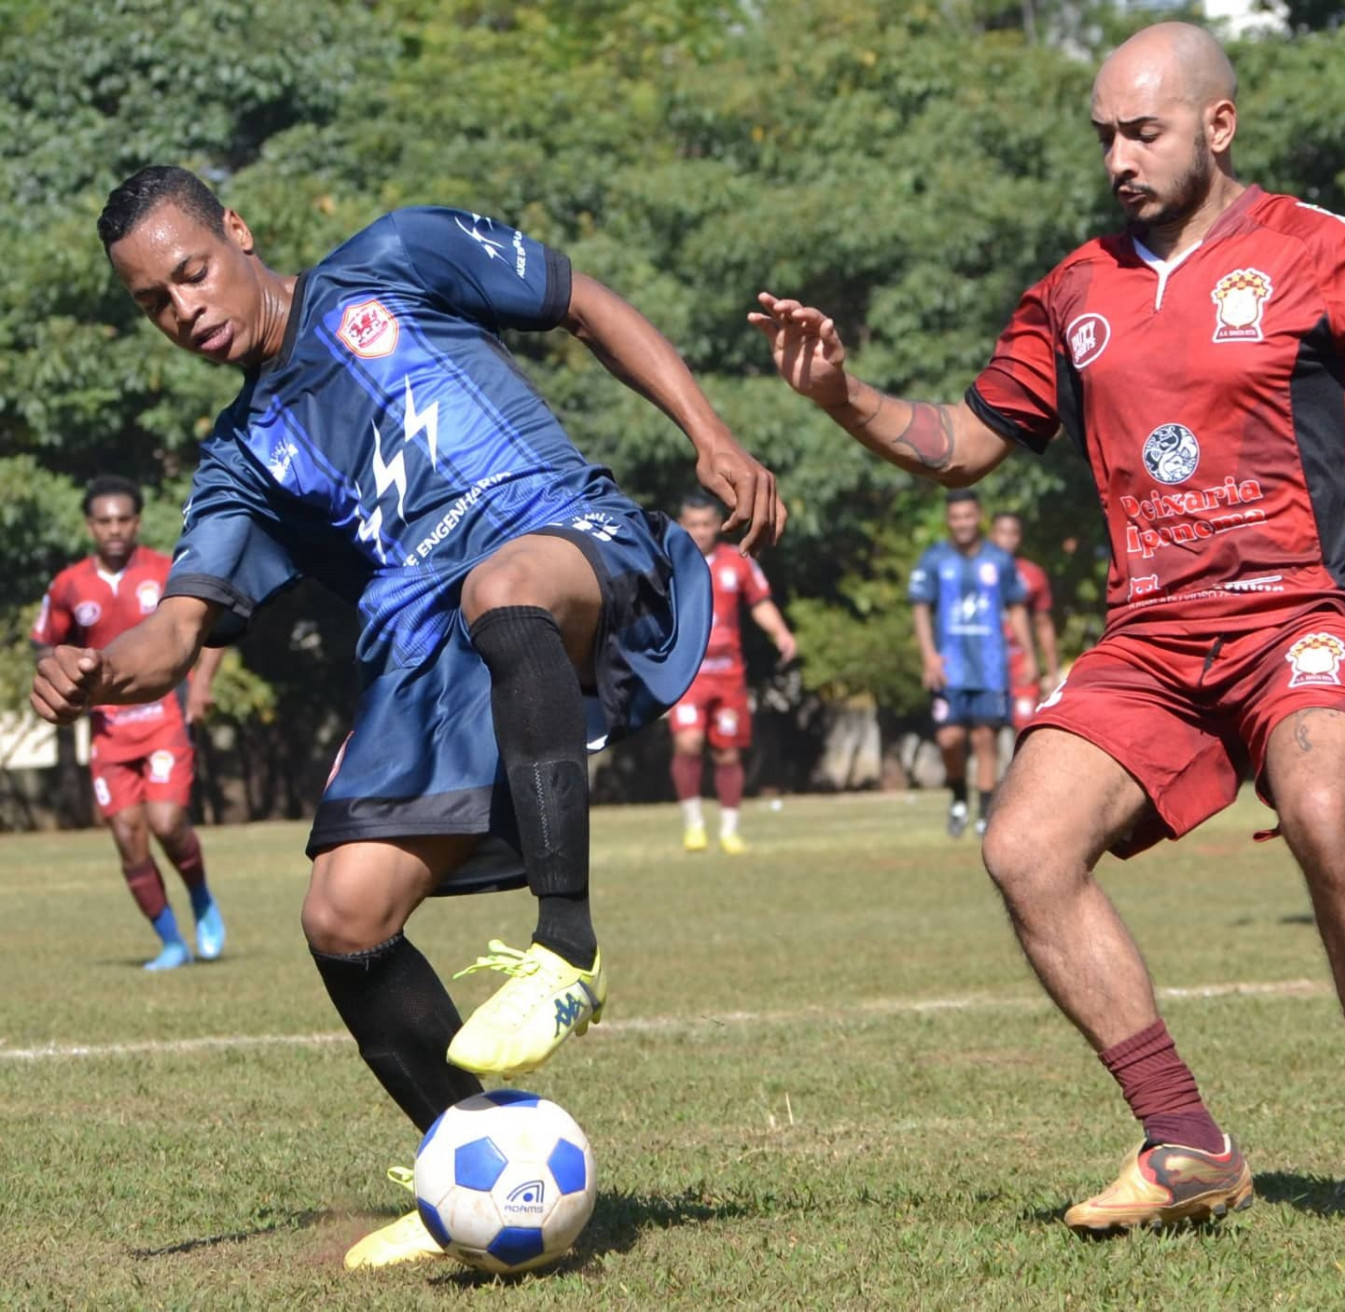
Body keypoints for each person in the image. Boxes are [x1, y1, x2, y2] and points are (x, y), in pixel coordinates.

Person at [752, 22, 1345, 1239]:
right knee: (1023, 846)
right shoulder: (1071, 291)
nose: (1117, 156)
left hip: (1308, 616)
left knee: (1324, 809)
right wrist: (838, 393)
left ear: (1218, 125)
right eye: (1104, 133)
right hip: (1156, 640)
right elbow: (963, 446)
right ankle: (1184, 1143)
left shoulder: (1318, 253)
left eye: (1142, 131)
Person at [31, 166, 782, 1269]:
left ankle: (566, 950)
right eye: (154, 302)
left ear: (237, 233)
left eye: (191, 272)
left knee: (502, 588)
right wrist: (100, 671)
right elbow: (178, 629)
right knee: (343, 915)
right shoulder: (242, 459)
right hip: (430, 659)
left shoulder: (391, 260)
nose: (184, 309)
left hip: (561, 534)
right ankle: (467, 1170)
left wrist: (709, 433)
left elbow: (582, 299)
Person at [32, 474, 226, 970]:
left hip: (163, 716)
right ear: (90, 527)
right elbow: (46, 644)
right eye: (105, 521)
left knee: (166, 822)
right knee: (126, 834)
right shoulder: (69, 585)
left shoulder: (168, 571)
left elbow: (215, 628)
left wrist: (200, 685)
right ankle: (171, 943)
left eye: (124, 519)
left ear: (137, 522)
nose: (115, 529)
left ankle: (201, 897)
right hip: (109, 729)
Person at [668, 490, 798, 854]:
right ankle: (693, 825)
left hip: (728, 674)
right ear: (682, 525)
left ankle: (729, 829)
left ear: (718, 526)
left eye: (707, 524)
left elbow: (760, 602)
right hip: (687, 675)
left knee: (727, 752)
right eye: (693, 525)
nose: (700, 531)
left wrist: (781, 633)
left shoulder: (736, 561)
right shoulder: (668, 562)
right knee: (688, 742)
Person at [908, 489, 1035, 838]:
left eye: (968, 516)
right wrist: (929, 656)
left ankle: (984, 814)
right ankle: (958, 796)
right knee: (949, 738)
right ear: (948, 520)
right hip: (950, 666)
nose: (962, 523)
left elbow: (1018, 607)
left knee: (985, 739)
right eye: (955, 517)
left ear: (979, 516)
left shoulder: (1000, 560)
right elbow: (920, 609)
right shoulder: (934, 559)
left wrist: (1029, 654)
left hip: (991, 666)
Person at [988, 511, 1061, 734]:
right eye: (1002, 532)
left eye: (1014, 533)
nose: (1007, 539)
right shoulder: (975, 569)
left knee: (1024, 729)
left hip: (1021, 662)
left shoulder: (1031, 574)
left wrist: (1052, 671)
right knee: (985, 733)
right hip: (986, 661)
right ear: (991, 535)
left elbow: (1043, 624)